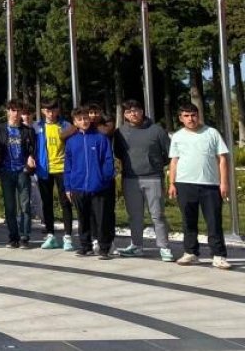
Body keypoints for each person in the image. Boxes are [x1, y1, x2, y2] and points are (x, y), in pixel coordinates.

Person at [169, 102, 232, 269]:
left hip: (210, 185)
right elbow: (174, 161)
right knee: (188, 221)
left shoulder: (212, 133)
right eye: (187, 116)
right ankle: (191, 253)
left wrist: (224, 183)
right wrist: (172, 183)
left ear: (198, 115)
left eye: (193, 115)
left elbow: (223, 159)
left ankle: (218, 255)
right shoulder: (177, 136)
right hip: (184, 184)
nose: (191, 119)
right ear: (181, 118)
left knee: (213, 221)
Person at [112, 99, 173, 261]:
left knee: (158, 215)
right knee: (135, 215)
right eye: (129, 111)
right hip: (130, 179)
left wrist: (155, 165)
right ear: (125, 115)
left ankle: (164, 247)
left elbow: (168, 153)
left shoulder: (157, 130)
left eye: (136, 110)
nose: (134, 113)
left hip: (153, 178)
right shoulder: (120, 132)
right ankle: (137, 246)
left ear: (142, 111)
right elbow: (119, 153)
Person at [64, 108, 116, 259]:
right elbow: (68, 165)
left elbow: (108, 160)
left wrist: (104, 178)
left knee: (101, 218)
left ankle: (104, 248)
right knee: (83, 218)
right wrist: (68, 186)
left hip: (99, 186)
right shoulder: (72, 141)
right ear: (75, 123)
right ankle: (85, 246)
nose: (83, 122)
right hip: (78, 187)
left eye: (86, 118)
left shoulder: (100, 138)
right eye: (79, 119)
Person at [35, 99, 75, 251]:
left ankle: (68, 236)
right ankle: (51, 235)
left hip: (62, 169)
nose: (50, 113)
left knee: (66, 202)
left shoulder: (66, 126)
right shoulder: (37, 127)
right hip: (45, 169)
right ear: (43, 111)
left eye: (53, 110)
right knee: (47, 203)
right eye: (47, 110)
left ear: (57, 111)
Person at [0, 100, 35, 249]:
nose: (16, 114)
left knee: (25, 206)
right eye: (13, 110)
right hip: (6, 172)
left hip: (22, 172)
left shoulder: (27, 130)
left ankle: (24, 236)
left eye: (18, 110)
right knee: (10, 207)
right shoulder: (0, 129)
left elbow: (33, 149)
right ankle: (13, 237)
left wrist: (31, 157)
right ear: (7, 111)